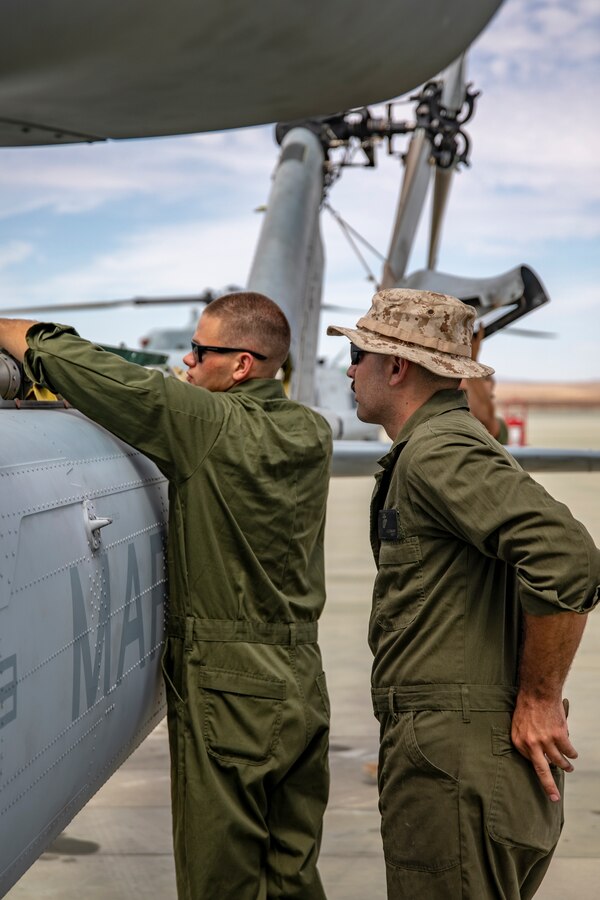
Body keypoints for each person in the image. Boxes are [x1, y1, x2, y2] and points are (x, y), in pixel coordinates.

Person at [0, 292, 332, 900]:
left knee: (220, 883)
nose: (188, 360)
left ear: (241, 365)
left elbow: (116, 382)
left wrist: (18, 333)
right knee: (292, 872)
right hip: (300, 680)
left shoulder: (209, 427)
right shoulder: (310, 431)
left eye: (202, 351)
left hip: (232, 692)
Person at [326, 288, 600, 900]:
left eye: (359, 354)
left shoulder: (439, 451)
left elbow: (567, 556)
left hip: (457, 761)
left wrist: (540, 696)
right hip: (464, 755)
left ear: (397, 367)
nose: (348, 369)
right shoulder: (441, 445)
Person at [461, 325, 509, 443]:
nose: (476, 382)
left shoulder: (499, 427)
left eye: (484, 380)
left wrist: (472, 360)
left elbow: (485, 415)